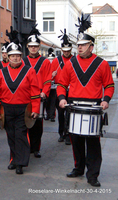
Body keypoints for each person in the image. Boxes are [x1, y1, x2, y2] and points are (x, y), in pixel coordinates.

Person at [57, 14, 114, 187]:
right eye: (78, 45)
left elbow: (109, 85)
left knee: (93, 144)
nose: (79, 48)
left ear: (91, 46)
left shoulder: (102, 64)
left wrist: (105, 100)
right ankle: (78, 168)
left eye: (83, 45)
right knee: (76, 141)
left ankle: (93, 175)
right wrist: (61, 98)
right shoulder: (70, 63)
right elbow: (61, 84)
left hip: (93, 107)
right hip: (74, 106)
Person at [0, 26, 40, 174]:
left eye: (18, 56)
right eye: (12, 56)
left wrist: (35, 110)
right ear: (8, 56)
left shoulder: (29, 71)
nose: (15, 58)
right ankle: (13, 158)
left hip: (23, 108)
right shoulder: (1, 72)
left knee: (20, 136)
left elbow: (35, 92)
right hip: (7, 108)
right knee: (11, 136)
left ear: (21, 56)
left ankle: (20, 163)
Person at [22, 24, 52, 158]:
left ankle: (36, 148)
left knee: (37, 124)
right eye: (31, 46)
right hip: (25, 96)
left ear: (39, 47)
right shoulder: (23, 61)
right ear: (27, 47)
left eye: (35, 46)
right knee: (25, 122)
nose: (33, 48)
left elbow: (47, 80)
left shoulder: (45, 62)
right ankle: (27, 146)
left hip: (39, 95)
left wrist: (44, 92)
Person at [52, 29, 74, 145]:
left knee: (70, 113)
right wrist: (52, 75)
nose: (66, 52)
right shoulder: (56, 61)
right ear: (61, 50)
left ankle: (68, 134)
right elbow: (49, 77)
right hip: (59, 90)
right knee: (60, 113)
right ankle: (61, 132)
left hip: (71, 90)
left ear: (70, 50)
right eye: (64, 51)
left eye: (68, 50)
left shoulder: (74, 60)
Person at [45, 48, 56, 122]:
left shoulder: (56, 64)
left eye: (52, 59)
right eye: (49, 59)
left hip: (54, 86)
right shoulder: (46, 64)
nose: (50, 60)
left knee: (53, 102)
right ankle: (48, 114)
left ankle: (52, 116)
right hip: (47, 85)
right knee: (47, 102)